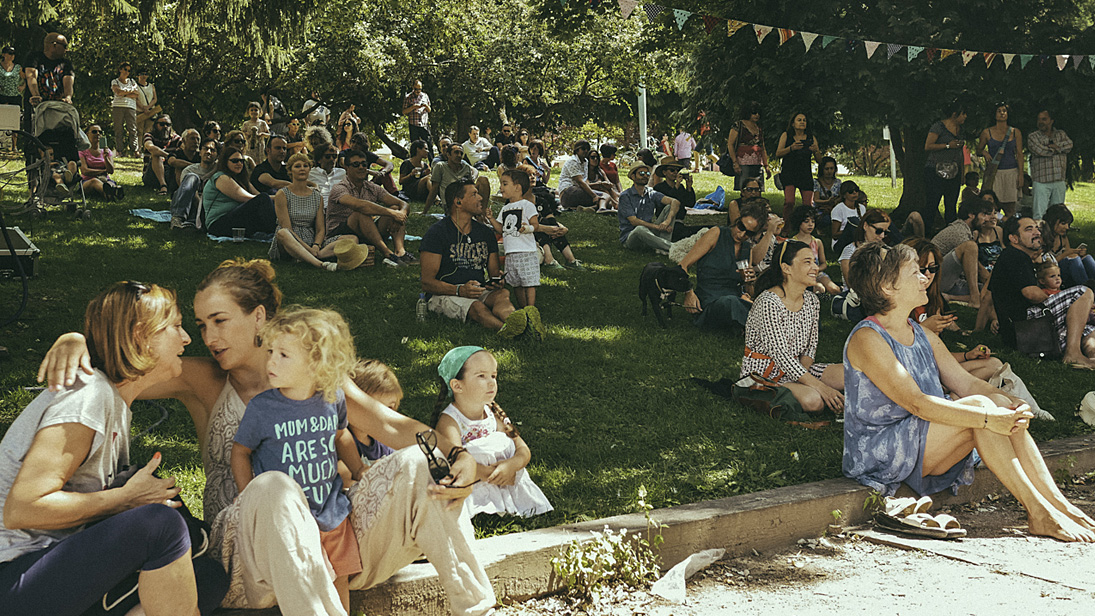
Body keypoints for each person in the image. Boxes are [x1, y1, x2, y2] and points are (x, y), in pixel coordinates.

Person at [39, 260, 498, 615]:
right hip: (243, 559)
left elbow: (394, 427)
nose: (207, 337)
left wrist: (457, 454)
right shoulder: (203, 382)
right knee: (274, 487)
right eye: (200, 325)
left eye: (219, 321)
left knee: (420, 464)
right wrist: (78, 340)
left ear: (259, 317)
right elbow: (120, 368)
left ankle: (476, 607)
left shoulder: (318, 378)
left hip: (330, 540)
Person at [842, 241, 1095, 542]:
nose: (926, 277)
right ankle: (1039, 512)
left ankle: (1059, 505)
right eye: (915, 272)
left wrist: (1012, 402)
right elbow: (918, 404)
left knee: (995, 402)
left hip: (920, 439)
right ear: (887, 287)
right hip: (880, 453)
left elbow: (967, 383)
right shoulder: (868, 338)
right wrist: (988, 417)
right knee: (980, 409)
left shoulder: (920, 332)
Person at [2, 281, 229, 615]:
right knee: (159, 525)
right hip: (14, 575)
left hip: (54, 568)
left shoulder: (115, 401)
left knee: (206, 578)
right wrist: (125, 499)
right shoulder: (88, 397)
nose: (186, 339)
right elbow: (22, 508)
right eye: (176, 327)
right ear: (140, 335)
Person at [231, 307, 364, 612]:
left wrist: (359, 469)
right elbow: (240, 451)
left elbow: (341, 435)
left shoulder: (332, 397)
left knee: (339, 578)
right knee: (303, 579)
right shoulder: (262, 408)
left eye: (283, 355)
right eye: (271, 352)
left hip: (332, 511)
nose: (271, 362)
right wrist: (247, 494)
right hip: (289, 521)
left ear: (316, 362)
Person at [432, 347, 552, 518]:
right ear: (457, 385)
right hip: (475, 479)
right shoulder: (449, 422)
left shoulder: (494, 413)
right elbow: (455, 462)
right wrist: (493, 475)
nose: (491, 383)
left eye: (493, 376)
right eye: (481, 376)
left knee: (503, 441)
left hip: (505, 476)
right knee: (475, 451)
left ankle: (510, 500)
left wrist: (510, 466)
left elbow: (522, 449)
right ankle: (483, 505)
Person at [420, 179, 534, 338]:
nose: (481, 198)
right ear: (458, 202)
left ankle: (517, 323)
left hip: (477, 290)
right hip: (446, 293)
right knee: (476, 307)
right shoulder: (437, 233)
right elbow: (426, 282)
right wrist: (460, 290)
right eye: (474, 194)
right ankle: (513, 332)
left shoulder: (485, 233)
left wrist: (497, 280)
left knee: (502, 295)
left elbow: (494, 272)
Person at [742, 240, 845, 412]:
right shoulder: (768, 302)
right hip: (763, 375)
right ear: (786, 268)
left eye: (814, 261)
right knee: (814, 401)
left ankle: (810, 391)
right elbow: (781, 355)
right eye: (807, 262)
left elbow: (810, 347)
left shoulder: (812, 300)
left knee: (851, 375)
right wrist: (821, 387)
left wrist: (802, 378)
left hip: (797, 369)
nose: (815, 268)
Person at [988, 215, 1095, 368]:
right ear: (1014, 238)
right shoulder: (1015, 256)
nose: (1037, 232)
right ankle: (1073, 354)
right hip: (1025, 328)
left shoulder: (1013, 256)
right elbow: (1031, 294)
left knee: (1085, 325)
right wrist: (1061, 300)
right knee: (1083, 292)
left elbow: (989, 295)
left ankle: (1092, 356)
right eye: (1029, 229)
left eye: (1036, 228)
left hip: (1022, 332)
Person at [680, 202, 769, 332]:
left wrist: (749, 282)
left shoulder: (746, 248)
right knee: (731, 302)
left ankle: (759, 326)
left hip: (735, 300)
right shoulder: (716, 234)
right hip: (709, 301)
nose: (741, 234)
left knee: (764, 302)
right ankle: (765, 328)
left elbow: (749, 292)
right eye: (741, 227)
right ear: (737, 220)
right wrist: (688, 292)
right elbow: (682, 265)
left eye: (749, 233)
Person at [271, 152, 361, 271]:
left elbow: (320, 229)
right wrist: (309, 249)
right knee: (283, 232)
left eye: (305, 166)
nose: (302, 169)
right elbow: (287, 228)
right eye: (297, 166)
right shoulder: (282, 194)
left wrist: (316, 246)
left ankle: (317, 255)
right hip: (289, 240)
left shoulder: (317, 196)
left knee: (352, 239)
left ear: (309, 170)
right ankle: (320, 264)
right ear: (290, 171)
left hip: (311, 239)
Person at [328, 148, 413, 267]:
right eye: (356, 164)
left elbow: (403, 204)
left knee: (395, 207)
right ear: (347, 168)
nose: (361, 167)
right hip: (341, 233)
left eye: (364, 164)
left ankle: (400, 252)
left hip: (366, 230)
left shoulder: (371, 187)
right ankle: (388, 254)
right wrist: (393, 214)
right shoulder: (339, 188)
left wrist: (401, 214)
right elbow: (361, 206)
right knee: (361, 213)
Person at [931, 198, 996, 309]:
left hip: (952, 280)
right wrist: (991, 279)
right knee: (970, 247)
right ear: (971, 215)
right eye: (984, 214)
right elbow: (978, 269)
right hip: (934, 278)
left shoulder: (967, 231)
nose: (986, 219)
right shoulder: (959, 231)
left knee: (988, 292)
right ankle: (975, 299)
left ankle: (950, 297)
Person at [202, 146, 277, 238]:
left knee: (271, 194)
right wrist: (278, 197)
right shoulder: (221, 177)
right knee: (265, 198)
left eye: (241, 161)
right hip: (218, 224)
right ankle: (276, 232)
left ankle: (284, 228)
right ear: (225, 162)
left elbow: (258, 195)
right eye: (235, 161)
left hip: (236, 219)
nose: (239, 163)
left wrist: (277, 197)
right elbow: (246, 198)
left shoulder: (241, 180)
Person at [490, 170, 540, 308]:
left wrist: (527, 228)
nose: (501, 187)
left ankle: (531, 308)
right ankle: (522, 308)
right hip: (510, 252)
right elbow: (501, 229)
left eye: (505, 184)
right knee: (516, 283)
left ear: (517, 187)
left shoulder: (527, 205)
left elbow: (535, 225)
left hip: (526, 251)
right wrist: (491, 219)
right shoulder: (505, 208)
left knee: (529, 282)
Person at [833, 209, 891, 322]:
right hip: (858, 298)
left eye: (886, 232)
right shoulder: (850, 251)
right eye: (878, 231)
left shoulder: (885, 250)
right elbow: (852, 284)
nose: (882, 236)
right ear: (865, 226)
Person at [922, 100, 967, 232]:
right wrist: (947, 145)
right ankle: (926, 232)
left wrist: (962, 172)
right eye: (963, 114)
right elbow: (928, 146)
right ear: (954, 114)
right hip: (935, 169)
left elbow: (961, 152)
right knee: (932, 203)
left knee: (951, 204)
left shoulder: (961, 130)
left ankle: (951, 233)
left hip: (954, 170)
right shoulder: (938, 127)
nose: (965, 117)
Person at [617, 162, 680, 253]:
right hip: (631, 237)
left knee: (670, 207)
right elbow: (634, 221)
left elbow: (675, 202)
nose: (645, 176)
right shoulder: (625, 196)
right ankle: (674, 247)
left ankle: (662, 248)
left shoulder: (651, 193)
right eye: (641, 173)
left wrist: (667, 221)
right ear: (633, 177)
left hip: (649, 233)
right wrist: (657, 227)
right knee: (640, 229)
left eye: (647, 173)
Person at [976, 102, 1023, 221]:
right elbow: (978, 150)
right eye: (999, 111)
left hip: (1011, 171)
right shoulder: (987, 132)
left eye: (1004, 111)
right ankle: (996, 226)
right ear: (994, 114)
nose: (1002, 113)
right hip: (995, 173)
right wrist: (984, 153)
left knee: (1010, 207)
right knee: (993, 206)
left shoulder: (1015, 132)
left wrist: (1021, 174)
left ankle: (1009, 226)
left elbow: (1019, 154)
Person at [422, 141, 491, 216]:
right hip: (452, 205)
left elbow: (471, 187)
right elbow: (434, 190)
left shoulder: (466, 167)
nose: (459, 155)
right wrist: (424, 212)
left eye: (461, 153)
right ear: (448, 155)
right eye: (456, 152)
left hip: (467, 200)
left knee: (483, 180)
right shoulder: (440, 166)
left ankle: (482, 215)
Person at [1027, 109, 1072, 221]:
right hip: (1041, 181)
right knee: (1039, 215)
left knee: (1058, 215)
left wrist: (1053, 147)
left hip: (1059, 180)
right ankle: (1039, 232)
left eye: (1044, 119)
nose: (1040, 122)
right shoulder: (1033, 137)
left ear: (1051, 121)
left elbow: (1069, 145)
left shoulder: (1061, 134)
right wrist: (1058, 149)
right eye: (1039, 119)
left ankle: (1054, 233)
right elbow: (1040, 151)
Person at [785, 205, 840, 294]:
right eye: (806, 221)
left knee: (834, 289)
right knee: (819, 289)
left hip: (816, 273)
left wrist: (817, 269)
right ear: (798, 222)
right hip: (799, 275)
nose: (810, 224)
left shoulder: (817, 242)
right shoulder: (793, 242)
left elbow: (823, 263)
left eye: (813, 221)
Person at [775, 112, 821, 210]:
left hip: (805, 174)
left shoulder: (811, 138)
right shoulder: (786, 135)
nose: (802, 122)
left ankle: (806, 219)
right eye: (799, 120)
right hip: (789, 173)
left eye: (804, 120)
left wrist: (815, 151)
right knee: (789, 202)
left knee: (808, 204)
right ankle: (787, 219)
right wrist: (791, 148)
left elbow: (819, 160)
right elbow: (778, 153)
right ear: (793, 123)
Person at [170, 137, 219, 231]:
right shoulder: (189, 170)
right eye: (205, 148)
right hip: (189, 203)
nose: (208, 152)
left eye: (213, 150)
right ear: (200, 152)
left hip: (208, 208)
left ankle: (193, 221)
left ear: (217, 155)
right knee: (192, 177)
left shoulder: (219, 171)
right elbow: (186, 193)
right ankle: (177, 219)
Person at [1043, 204, 1095, 288]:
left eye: (1068, 224)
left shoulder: (1062, 238)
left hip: (1064, 269)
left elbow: (1069, 255)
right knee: (1074, 260)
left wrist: (1078, 253)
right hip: (1052, 272)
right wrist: (1066, 254)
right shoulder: (1043, 238)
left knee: (1087, 258)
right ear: (1052, 222)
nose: (1067, 227)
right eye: (1063, 223)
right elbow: (1045, 265)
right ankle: (1086, 289)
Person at [725, 101, 771, 190]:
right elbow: (730, 144)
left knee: (757, 189)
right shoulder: (738, 125)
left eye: (758, 113)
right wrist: (735, 162)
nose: (757, 115)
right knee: (744, 189)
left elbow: (762, 148)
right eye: (754, 112)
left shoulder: (758, 127)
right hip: (742, 163)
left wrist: (766, 166)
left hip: (757, 164)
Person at [557, 140, 606, 211]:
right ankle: (599, 207)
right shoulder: (573, 161)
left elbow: (585, 182)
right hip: (568, 192)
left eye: (588, 149)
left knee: (606, 197)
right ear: (577, 150)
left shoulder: (585, 162)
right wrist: (594, 195)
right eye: (583, 149)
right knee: (602, 197)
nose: (586, 151)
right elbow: (580, 182)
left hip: (579, 190)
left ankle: (597, 208)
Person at [78, 122, 121, 201]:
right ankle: (112, 192)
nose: (98, 134)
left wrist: (106, 158)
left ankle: (109, 194)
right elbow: (84, 171)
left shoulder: (107, 151)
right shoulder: (82, 151)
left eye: (100, 132)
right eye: (94, 132)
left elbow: (111, 171)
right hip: (88, 181)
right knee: (94, 181)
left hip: (105, 180)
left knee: (109, 183)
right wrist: (103, 171)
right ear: (87, 135)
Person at [143, 114, 181, 196]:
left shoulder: (175, 139)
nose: (165, 127)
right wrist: (169, 156)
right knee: (156, 154)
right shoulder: (149, 136)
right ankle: (163, 186)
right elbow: (150, 147)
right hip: (151, 175)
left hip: (169, 173)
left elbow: (185, 147)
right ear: (155, 125)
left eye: (168, 124)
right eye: (162, 124)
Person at [110, 61, 139, 157]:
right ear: (120, 70)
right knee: (118, 129)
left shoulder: (132, 81)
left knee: (132, 129)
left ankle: (135, 151)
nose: (127, 72)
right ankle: (119, 151)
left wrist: (124, 93)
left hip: (131, 107)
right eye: (125, 69)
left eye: (129, 70)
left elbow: (137, 94)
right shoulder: (115, 81)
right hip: (118, 106)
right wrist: (130, 92)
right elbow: (118, 92)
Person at [829, 180, 866, 249]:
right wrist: (849, 231)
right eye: (851, 191)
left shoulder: (862, 208)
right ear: (844, 195)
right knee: (853, 221)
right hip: (840, 243)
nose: (854, 193)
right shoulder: (839, 209)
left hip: (857, 240)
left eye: (856, 190)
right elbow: (834, 235)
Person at [0, 45, 24, 152]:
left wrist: (23, 86)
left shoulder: (18, 67)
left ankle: (14, 146)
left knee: (15, 120)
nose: (11, 56)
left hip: (15, 96)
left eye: (13, 54)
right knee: (1, 118)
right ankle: (2, 143)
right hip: (2, 96)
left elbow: (27, 77)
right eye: (9, 53)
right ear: (4, 54)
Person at [402, 79, 433, 159]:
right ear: (413, 88)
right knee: (414, 146)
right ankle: (414, 163)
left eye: (419, 89)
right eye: (416, 89)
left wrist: (426, 106)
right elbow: (404, 111)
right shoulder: (408, 97)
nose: (418, 91)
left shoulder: (425, 96)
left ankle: (432, 163)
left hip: (424, 124)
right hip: (413, 124)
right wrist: (413, 107)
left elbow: (429, 110)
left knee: (429, 144)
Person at [308, 142, 345, 209]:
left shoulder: (342, 173)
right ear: (319, 160)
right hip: (318, 209)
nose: (332, 159)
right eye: (327, 156)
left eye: (334, 156)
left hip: (339, 209)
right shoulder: (310, 173)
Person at [166, 128, 202, 193]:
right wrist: (193, 167)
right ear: (184, 141)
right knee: (179, 167)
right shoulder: (176, 153)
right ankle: (183, 192)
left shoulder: (200, 156)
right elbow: (172, 161)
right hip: (175, 185)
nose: (195, 142)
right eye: (192, 138)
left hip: (197, 183)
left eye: (198, 139)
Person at [134, 68, 160, 142]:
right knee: (139, 132)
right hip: (139, 112)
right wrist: (143, 108)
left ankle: (147, 147)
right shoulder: (135, 86)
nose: (144, 76)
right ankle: (139, 148)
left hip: (150, 112)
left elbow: (154, 99)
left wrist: (148, 107)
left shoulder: (151, 86)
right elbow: (135, 99)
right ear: (138, 76)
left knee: (148, 132)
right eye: (142, 74)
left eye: (146, 74)